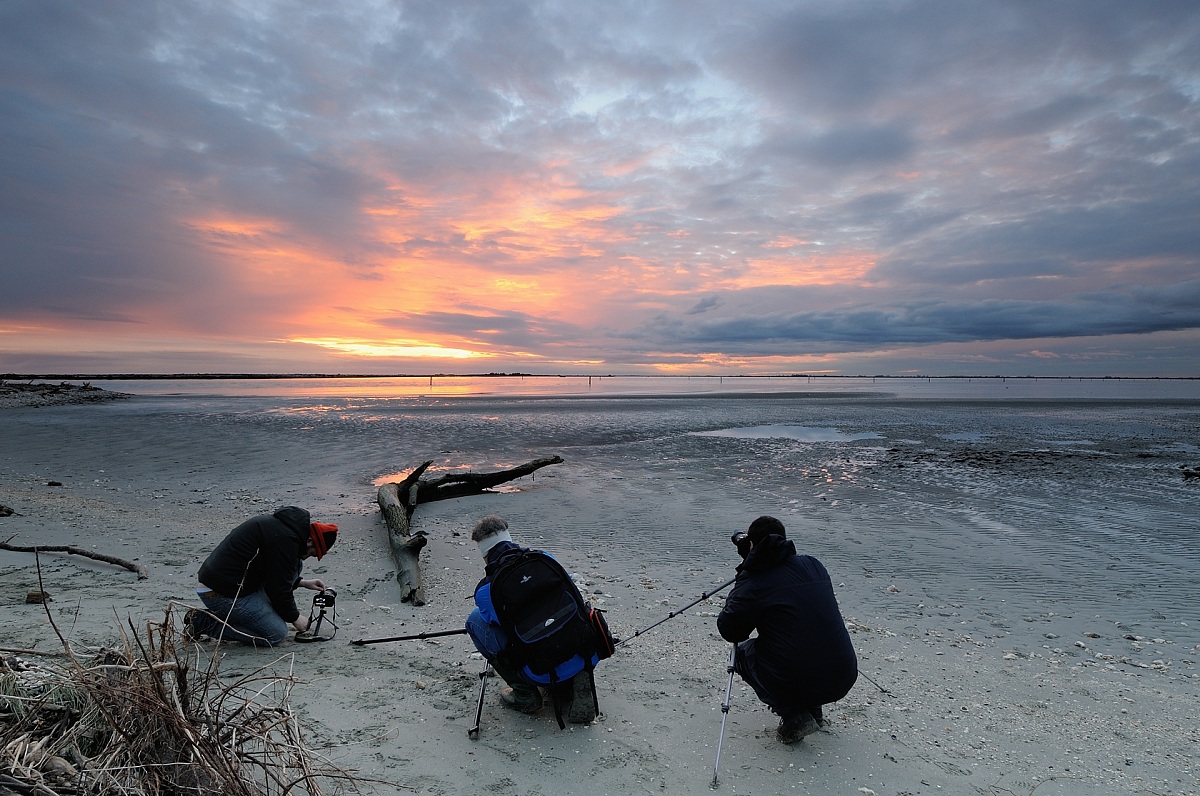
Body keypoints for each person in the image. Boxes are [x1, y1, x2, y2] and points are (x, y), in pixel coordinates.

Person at [717, 515, 858, 744]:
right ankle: (815, 711)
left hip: (802, 678)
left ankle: (795, 717)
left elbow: (730, 629)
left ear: (751, 545)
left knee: (743, 653)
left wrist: (747, 571)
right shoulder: (813, 564)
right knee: (801, 639)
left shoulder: (755, 581)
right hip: (843, 676)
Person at [465, 515, 598, 723]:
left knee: (474, 621)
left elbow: (500, 629)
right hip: (585, 653)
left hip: (540, 670)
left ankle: (525, 694)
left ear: (484, 554)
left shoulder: (485, 590)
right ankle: (572, 680)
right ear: (509, 538)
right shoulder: (546, 558)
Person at [184, 506, 338, 646]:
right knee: (276, 634)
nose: (307, 557)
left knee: (296, 564)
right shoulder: (285, 541)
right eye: (312, 553)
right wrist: (295, 618)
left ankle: (257, 616)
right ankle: (201, 622)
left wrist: (302, 583)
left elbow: (273, 570)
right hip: (219, 593)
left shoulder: (284, 529)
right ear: (310, 540)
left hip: (230, 583)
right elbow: (278, 589)